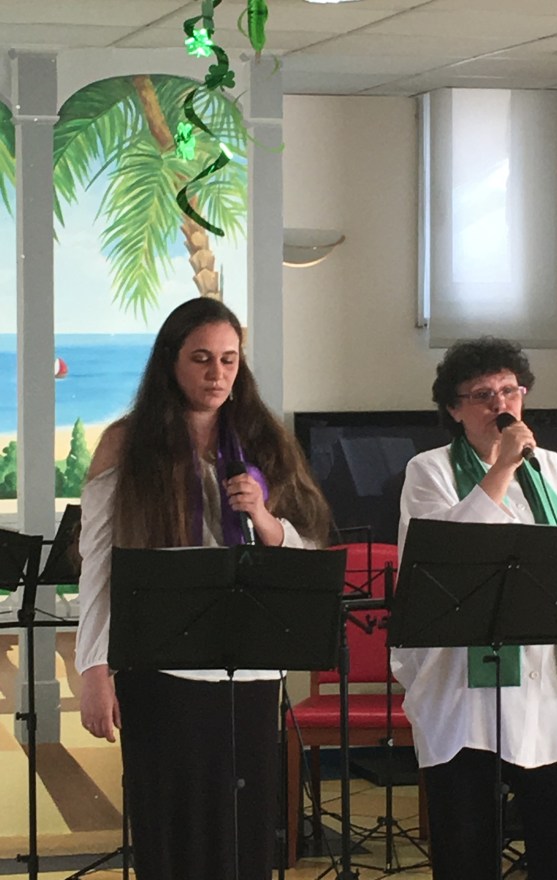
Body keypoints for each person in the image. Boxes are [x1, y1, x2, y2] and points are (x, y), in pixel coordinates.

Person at [74, 297, 331, 880]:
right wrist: (93, 669)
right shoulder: (126, 443)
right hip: (161, 669)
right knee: (172, 833)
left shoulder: (265, 441)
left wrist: (263, 517)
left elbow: (309, 553)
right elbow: (98, 564)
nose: (217, 374)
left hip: (249, 670)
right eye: (201, 359)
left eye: (228, 360)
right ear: (171, 361)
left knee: (242, 838)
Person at [390, 336, 557, 880]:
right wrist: (501, 469)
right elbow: (443, 557)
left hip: (553, 697)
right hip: (467, 700)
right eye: (482, 395)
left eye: (509, 391)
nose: (500, 405)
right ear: (454, 408)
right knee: (467, 855)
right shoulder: (429, 471)